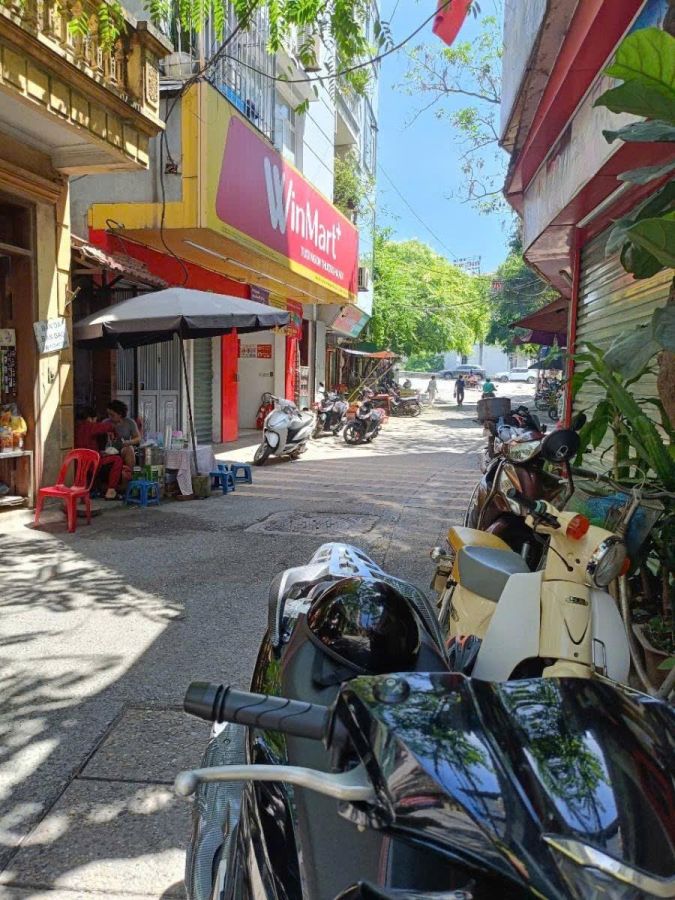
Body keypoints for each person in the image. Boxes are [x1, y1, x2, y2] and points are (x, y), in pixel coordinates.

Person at [75, 406, 122, 500]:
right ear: (90, 418)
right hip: (91, 464)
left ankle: (94, 490)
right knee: (117, 460)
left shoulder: (74, 427)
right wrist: (114, 432)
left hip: (77, 464)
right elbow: (109, 426)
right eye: (95, 420)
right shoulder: (89, 426)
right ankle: (111, 492)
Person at [106, 399, 141, 469]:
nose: (109, 417)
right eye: (108, 414)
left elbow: (138, 438)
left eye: (112, 415)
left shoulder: (130, 422)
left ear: (120, 414)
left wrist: (129, 442)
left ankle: (129, 473)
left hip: (124, 448)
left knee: (129, 449)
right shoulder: (105, 423)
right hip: (109, 450)